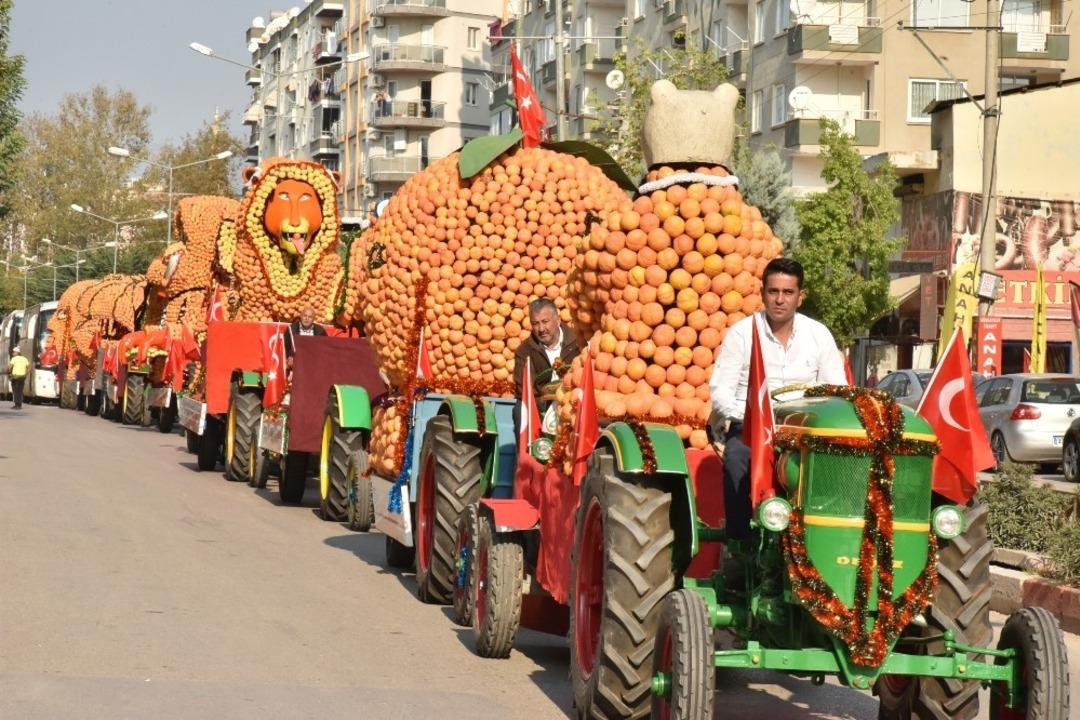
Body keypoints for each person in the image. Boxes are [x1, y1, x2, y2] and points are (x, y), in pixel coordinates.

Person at [709, 258, 847, 539]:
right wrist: (753, 416)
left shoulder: (818, 335)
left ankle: (829, 538)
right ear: (762, 294)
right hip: (751, 427)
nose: (780, 300)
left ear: (800, 296)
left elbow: (838, 390)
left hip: (804, 430)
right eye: (773, 292)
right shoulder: (742, 334)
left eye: (788, 292)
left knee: (844, 463)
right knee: (737, 458)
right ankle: (740, 543)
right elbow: (720, 392)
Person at [513, 298, 580, 421]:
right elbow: (525, 390)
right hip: (542, 407)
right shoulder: (524, 351)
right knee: (520, 409)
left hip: (574, 402)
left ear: (558, 320)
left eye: (545, 321)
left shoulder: (578, 342)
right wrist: (548, 397)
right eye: (535, 323)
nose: (541, 329)